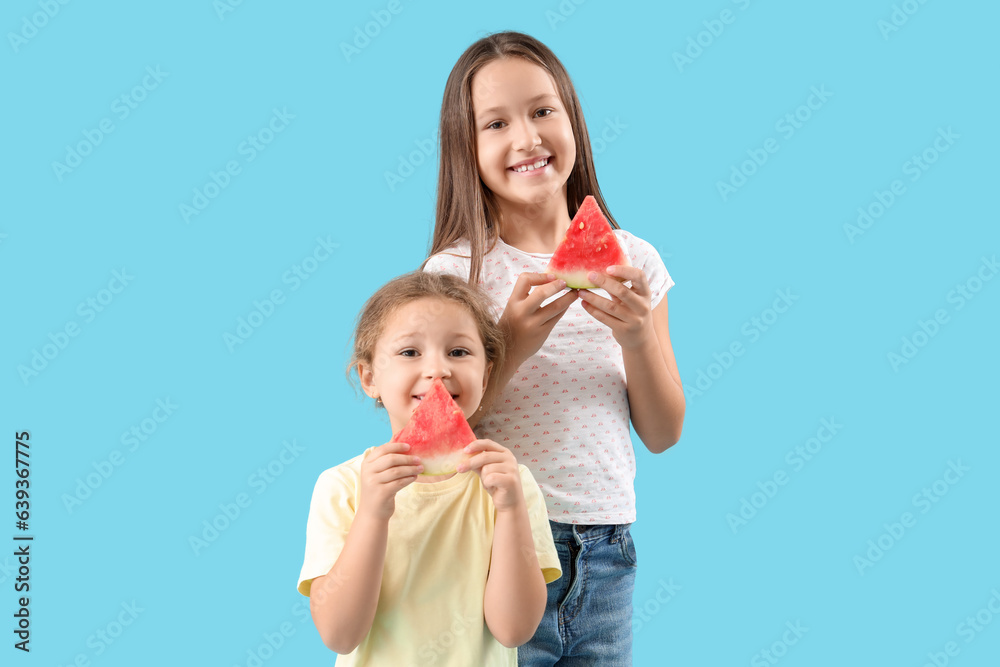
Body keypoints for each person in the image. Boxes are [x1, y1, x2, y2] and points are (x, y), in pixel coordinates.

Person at [423, 31, 685, 665]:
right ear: (468, 149)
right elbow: (435, 438)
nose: (527, 138)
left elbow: (663, 430)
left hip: (608, 552)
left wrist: (636, 335)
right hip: (500, 546)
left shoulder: (635, 260)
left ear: (574, 118)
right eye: (496, 123)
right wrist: (508, 346)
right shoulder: (456, 272)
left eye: (543, 110)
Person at [297, 271, 562, 666]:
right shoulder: (343, 486)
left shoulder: (511, 485)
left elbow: (514, 629)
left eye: (458, 352)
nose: (437, 370)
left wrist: (510, 510)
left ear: (486, 374)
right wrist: (372, 513)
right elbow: (340, 632)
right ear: (369, 378)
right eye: (409, 353)